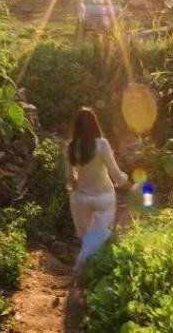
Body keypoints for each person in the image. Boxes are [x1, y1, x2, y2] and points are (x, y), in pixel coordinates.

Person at [65, 107, 133, 273]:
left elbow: (69, 178)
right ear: (94, 124)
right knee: (99, 236)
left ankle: (87, 268)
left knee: (86, 237)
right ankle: (82, 267)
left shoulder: (71, 146)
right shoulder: (102, 144)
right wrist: (130, 185)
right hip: (104, 197)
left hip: (80, 198)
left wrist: (77, 189)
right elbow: (115, 173)